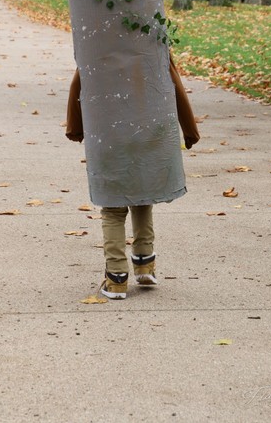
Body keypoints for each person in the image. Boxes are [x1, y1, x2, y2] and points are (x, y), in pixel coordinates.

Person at [66, 54, 200, 299]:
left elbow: (79, 83)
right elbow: (175, 85)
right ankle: (144, 263)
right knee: (142, 194)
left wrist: (75, 127)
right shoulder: (151, 45)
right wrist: (189, 129)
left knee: (113, 207)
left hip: (108, 134)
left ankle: (116, 277)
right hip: (144, 130)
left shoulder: (100, 46)